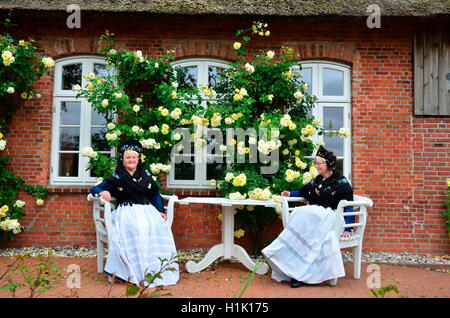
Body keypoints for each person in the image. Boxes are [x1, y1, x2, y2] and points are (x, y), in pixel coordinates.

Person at [90, 139, 179, 287]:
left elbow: (155, 195)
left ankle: (153, 270)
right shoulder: (116, 176)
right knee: (136, 227)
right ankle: (134, 271)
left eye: (134, 157)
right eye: (128, 157)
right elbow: (95, 189)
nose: (131, 160)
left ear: (138, 159)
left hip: (146, 210)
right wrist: (103, 191)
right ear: (123, 160)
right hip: (125, 211)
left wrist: (161, 211)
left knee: (158, 226)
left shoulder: (145, 175)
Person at [262, 145, 354, 288]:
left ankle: (300, 274)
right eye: (315, 163)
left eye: (319, 163)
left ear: (329, 164)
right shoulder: (316, 181)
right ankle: (292, 270)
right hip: (315, 219)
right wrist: (290, 194)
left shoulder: (341, 183)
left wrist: (348, 228)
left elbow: (348, 206)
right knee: (302, 217)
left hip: (331, 219)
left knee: (304, 215)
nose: (317, 166)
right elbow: (303, 192)